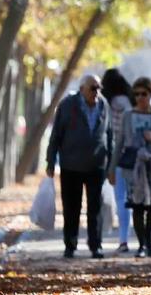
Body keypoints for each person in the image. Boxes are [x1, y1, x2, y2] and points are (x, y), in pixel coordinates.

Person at [45, 73, 112, 259]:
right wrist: (50, 161)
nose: (96, 92)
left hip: (97, 165)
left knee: (95, 209)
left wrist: (111, 164)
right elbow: (56, 135)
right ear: (82, 88)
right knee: (71, 208)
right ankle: (70, 245)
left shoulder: (103, 105)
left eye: (99, 88)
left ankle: (95, 245)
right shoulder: (67, 105)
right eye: (93, 88)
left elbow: (110, 135)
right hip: (71, 165)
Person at [114, 76, 151, 257]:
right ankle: (142, 245)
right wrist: (112, 168)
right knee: (136, 205)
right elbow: (120, 142)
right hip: (133, 167)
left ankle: (148, 237)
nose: (139, 98)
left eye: (143, 94)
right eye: (136, 94)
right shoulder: (128, 115)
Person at [103, 67, 134, 253]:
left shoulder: (107, 103)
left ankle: (121, 239)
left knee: (120, 198)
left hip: (114, 154)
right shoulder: (130, 102)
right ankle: (127, 238)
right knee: (128, 198)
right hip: (130, 154)